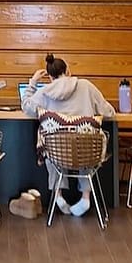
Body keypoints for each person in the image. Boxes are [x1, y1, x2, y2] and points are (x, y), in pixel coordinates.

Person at [21, 53, 115, 217]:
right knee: (87, 142)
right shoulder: (86, 85)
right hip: (86, 150)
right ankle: (86, 198)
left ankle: (58, 196)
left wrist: (33, 82)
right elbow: (108, 112)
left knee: (49, 143)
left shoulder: (45, 92)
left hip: (58, 152)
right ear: (68, 71)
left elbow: (27, 107)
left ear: (49, 77)